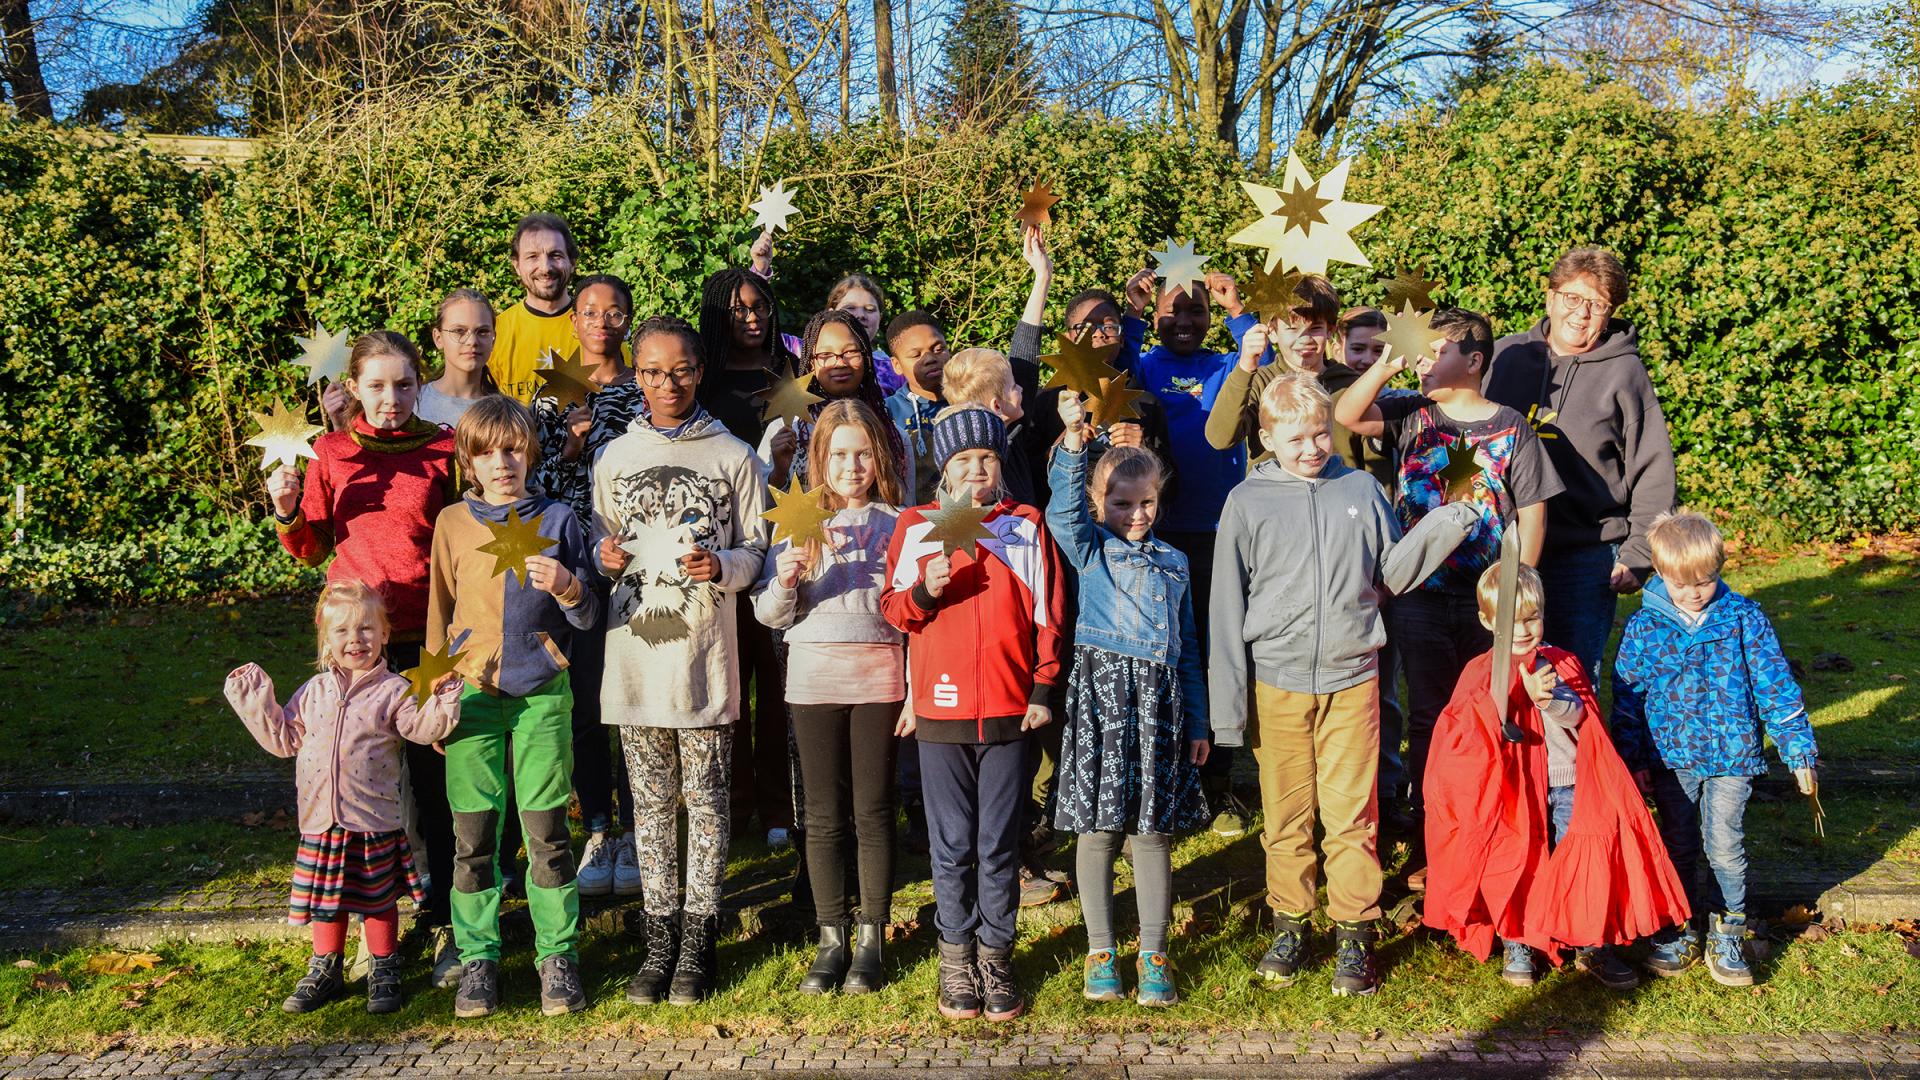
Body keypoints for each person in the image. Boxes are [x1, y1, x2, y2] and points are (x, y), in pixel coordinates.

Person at [1209, 373, 1474, 997]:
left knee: (1354, 812)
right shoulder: (1245, 502)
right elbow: (1225, 606)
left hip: (1353, 677)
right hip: (1277, 682)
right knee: (1287, 815)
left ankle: (1354, 930)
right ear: (1267, 439)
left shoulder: (1360, 488)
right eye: (1296, 438)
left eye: (1320, 433)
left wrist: (1452, 517)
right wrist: (1227, 709)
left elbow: (1394, 571)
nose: (1311, 448)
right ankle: (1291, 923)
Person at [266, 329, 463, 986]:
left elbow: (461, 540)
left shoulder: (443, 449)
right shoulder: (330, 452)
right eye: (376, 386)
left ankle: (444, 918)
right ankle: (371, 932)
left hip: (426, 642)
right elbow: (311, 548)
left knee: (433, 786)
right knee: (364, 791)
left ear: (420, 384)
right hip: (356, 652)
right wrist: (288, 511)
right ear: (353, 387)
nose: (391, 399)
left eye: (403, 385)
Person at [1333, 308, 1563, 866]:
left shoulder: (1512, 428)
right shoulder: (1412, 413)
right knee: (1429, 716)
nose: (1424, 361)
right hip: (1419, 597)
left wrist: (1515, 591)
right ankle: (1434, 835)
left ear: (1475, 360)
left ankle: (1493, 827)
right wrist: (1388, 364)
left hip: (1487, 603)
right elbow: (1346, 414)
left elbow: (1533, 514)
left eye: (1437, 351)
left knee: (1491, 708)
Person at [593, 316, 770, 1006]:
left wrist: (722, 564)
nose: (668, 384)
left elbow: (756, 551)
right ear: (636, 375)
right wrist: (605, 557)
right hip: (636, 658)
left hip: (703, 659)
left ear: (700, 372)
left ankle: (699, 937)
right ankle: (658, 936)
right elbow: (603, 546)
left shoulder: (734, 456)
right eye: (653, 372)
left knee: (706, 800)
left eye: (681, 371)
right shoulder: (614, 458)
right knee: (650, 803)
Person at [882, 406, 1065, 1022]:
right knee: (952, 842)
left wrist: (1042, 688)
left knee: (998, 843)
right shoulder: (917, 525)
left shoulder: (1025, 525)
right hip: (941, 711)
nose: (976, 470)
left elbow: (1048, 612)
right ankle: (956, 956)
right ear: (944, 467)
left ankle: (996, 954)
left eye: (986, 457)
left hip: (1011, 708)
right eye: (963, 459)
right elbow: (895, 610)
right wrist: (925, 589)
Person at [1422, 565, 1683, 990]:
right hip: (1512, 789)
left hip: (1568, 783)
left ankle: (1589, 941)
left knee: (1578, 862)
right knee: (1515, 861)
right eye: (1510, 621)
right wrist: (1508, 697)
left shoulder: (1560, 663)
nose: (1522, 630)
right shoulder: (1480, 671)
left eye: (1532, 618)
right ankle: (1519, 940)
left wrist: (1547, 701)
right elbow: (1464, 734)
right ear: (1487, 621)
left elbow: (1581, 716)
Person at [428, 396, 602, 1019]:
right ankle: (478, 958)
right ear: (468, 462)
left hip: (543, 695)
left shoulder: (559, 518)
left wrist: (569, 586)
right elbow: (437, 612)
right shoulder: (452, 523)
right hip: (469, 695)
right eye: (487, 454)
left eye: (513, 450)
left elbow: (589, 614)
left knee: (547, 832)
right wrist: (432, 699)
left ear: (530, 454)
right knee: (472, 836)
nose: (502, 463)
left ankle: (558, 956)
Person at [223, 582, 462, 1016]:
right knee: (326, 903)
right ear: (326, 640)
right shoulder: (313, 691)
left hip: (373, 819)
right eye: (343, 631)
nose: (356, 639)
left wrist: (444, 702)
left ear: (385, 634)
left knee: (378, 900)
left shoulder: (394, 690)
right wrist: (252, 698)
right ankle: (325, 968)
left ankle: (383, 967)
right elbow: (284, 740)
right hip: (321, 821)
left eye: (366, 628)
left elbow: (420, 729)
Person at [1046, 393, 1209, 1008]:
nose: (1136, 515)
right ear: (1099, 503)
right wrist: (1073, 443)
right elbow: (1062, 511)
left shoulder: (1175, 561)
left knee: (1152, 831)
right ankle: (1100, 951)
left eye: (1146, 503)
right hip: (1104, 703)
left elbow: (1187, 647)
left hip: (1159, 708)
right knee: (1099, 829)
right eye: (1121, 504)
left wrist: (1197, 719)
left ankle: (1154, 952)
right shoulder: (1090, 551)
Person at [1612, 511, 1819, 987]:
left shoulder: (1744, 619)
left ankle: (1729, 931)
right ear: (1661, 573)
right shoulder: (1644, 627)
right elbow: (1628, 697)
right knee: (1678, 843)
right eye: (1682, 584)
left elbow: (1775, 687)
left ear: (1719, 569)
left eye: (1704, 582)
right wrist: (1634, 759)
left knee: (1725, 846)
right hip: (1671, 758)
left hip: (1732, 755)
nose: (1693, 593)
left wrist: (1799, 751)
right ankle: (1680, 925)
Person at [751, 400, 908, 995]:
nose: (851, 466)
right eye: (839, 454)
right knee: (821, 814)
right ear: (820, 458)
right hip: (814, 675)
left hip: (879, 673)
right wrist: (786, 579)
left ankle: (871, 937)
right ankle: (830, 936)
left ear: (879, 457)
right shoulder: (795, 518)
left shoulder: (899, 523)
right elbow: (770, 614)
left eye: (862, 453)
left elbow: (912, 613)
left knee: (872, 810)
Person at [1482, 246, 1677, 688]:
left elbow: (1652, 466)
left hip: (1584, 554)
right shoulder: (1505, 355)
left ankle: (1572, 739)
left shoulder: (1625, 373)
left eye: (1597, 304)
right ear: (1550, 297)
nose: (1582, 312)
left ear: (1610, 315)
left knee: (1572, 677)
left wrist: (1639, 553)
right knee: (1501, 675)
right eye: (1572, 297)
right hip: (1502, 544)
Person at [1120, 268, 1258, 838]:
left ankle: (1217, 782)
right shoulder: (1145, 367)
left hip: (1219, 534)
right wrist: (1130, 315)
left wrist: (1238, 311)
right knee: (1164, 656)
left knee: (1218, 656)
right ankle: (1163, 774)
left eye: (1196, 310)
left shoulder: (1226, 366)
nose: (1184, 320)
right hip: (1155, 533)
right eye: (1171, 310)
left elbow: (1267, 365)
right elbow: (1111, 371)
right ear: (1156, 317)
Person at [531, 273, 647, 901]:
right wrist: (571, 449)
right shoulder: (551, 393)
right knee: (583, 702)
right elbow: (534, 484)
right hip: (569, 566)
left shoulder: (643, 389)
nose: (602, 322)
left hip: (630, 562)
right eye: (590, 311)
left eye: (614, 312)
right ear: (572, 321)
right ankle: (598, 826)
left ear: (627, 320)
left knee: (628, 697)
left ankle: (635, 830)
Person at [695, 267, 800, 847]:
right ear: (718, 314)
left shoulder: (791, 374)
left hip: (785, 545)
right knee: (728, 686)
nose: (752, 316)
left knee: (778, 685)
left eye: (760, 305)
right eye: (738, 308)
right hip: (722, 554)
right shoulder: (702, 383)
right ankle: (732, 805)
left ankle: (780, 805)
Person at [756, 308, 907, 490]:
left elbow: (906, 501)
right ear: (811, 362)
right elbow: (759, 502)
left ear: (866, 356)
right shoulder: (785, 430)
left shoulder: (891, 434)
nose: (840, 363)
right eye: (825, 355)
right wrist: (779, 473)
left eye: (850, 352)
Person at [492, 212, 584, 404]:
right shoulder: (495, 333)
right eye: (532, 256)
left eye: (555, 255)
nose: (545, 268)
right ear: (517, 266)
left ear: (572, 262)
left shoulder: (599, 329)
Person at [418, 288, 500, 428]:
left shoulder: (507, 414)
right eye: (459, 331)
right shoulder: (412, 404)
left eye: (482, 332)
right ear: (438, 338)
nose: (472, 341)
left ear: (493, 339)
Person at [829, 272, 906, 395]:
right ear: (830, 314)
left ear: (880, 318)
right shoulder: (802, 355)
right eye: (850, 308)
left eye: (870, 309)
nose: (860, 315)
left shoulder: (896, 371)